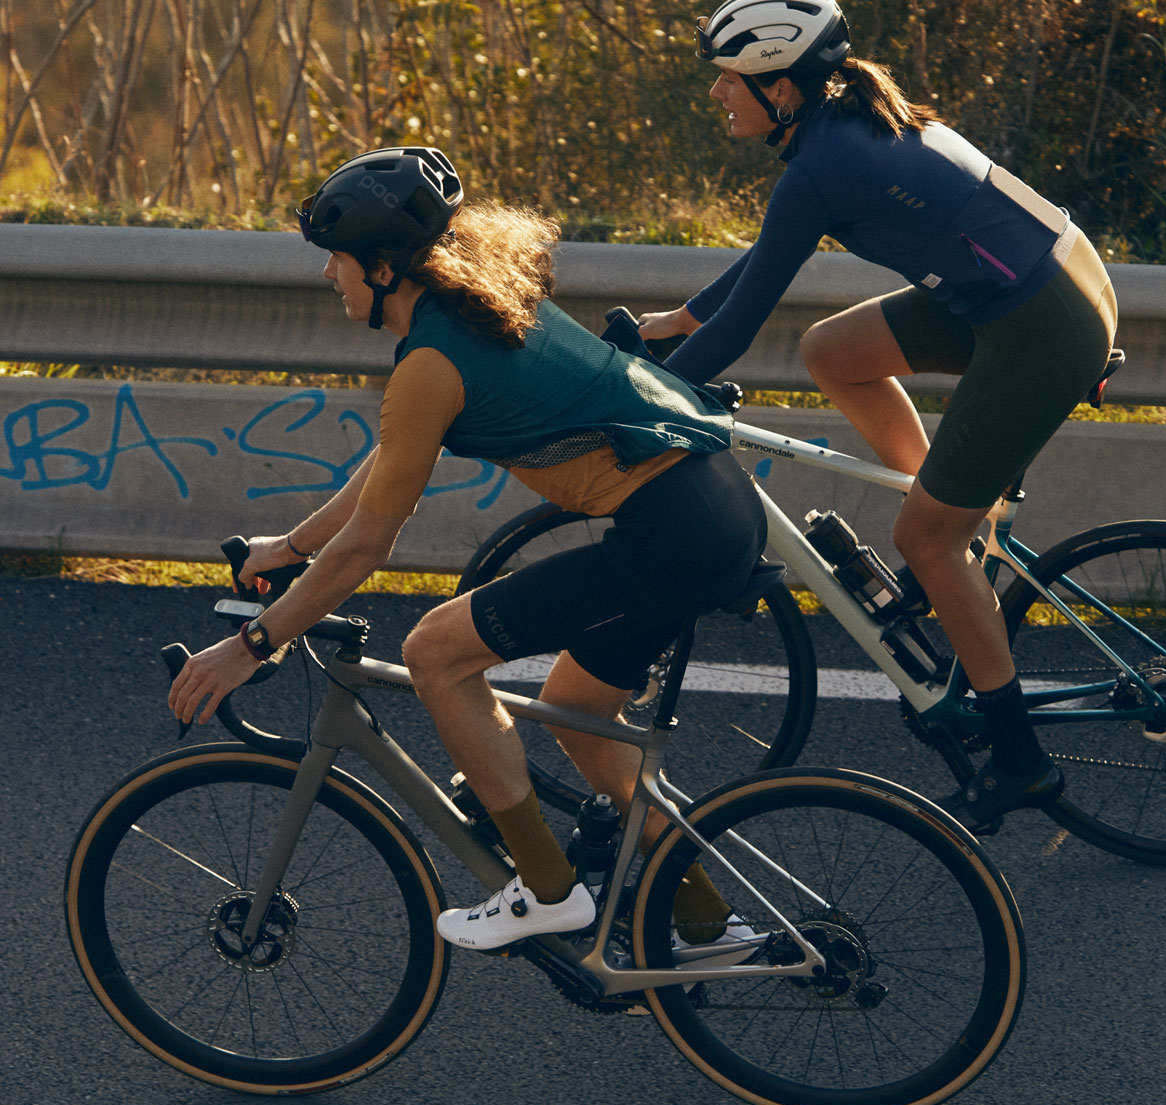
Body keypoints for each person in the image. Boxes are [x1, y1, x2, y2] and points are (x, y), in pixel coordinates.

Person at [168, 146, 767, 954]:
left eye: (336, 261)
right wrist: (293, 544)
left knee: (436, 651)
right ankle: (705, 924)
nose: (328, 276)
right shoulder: (481, 303)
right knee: (582, 716)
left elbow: (370, 546)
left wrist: (253, 644)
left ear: (382, 269)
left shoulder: (430, 363)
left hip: (671, 534)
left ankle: (549, 893)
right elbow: (393, 464)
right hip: (715, 503)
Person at [640, 0, 1118, 828]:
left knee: (924, 540)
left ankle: (1019, 759)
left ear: (782, 89)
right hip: (1032, 281)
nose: (717, 93)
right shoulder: (837, 129)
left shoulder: (821, 165)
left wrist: (641, 402)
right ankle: (948, 526)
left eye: (730, 78)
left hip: (1042, 322)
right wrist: (682, 320)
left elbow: (744, 325)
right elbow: (768, 259)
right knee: (834, 351)